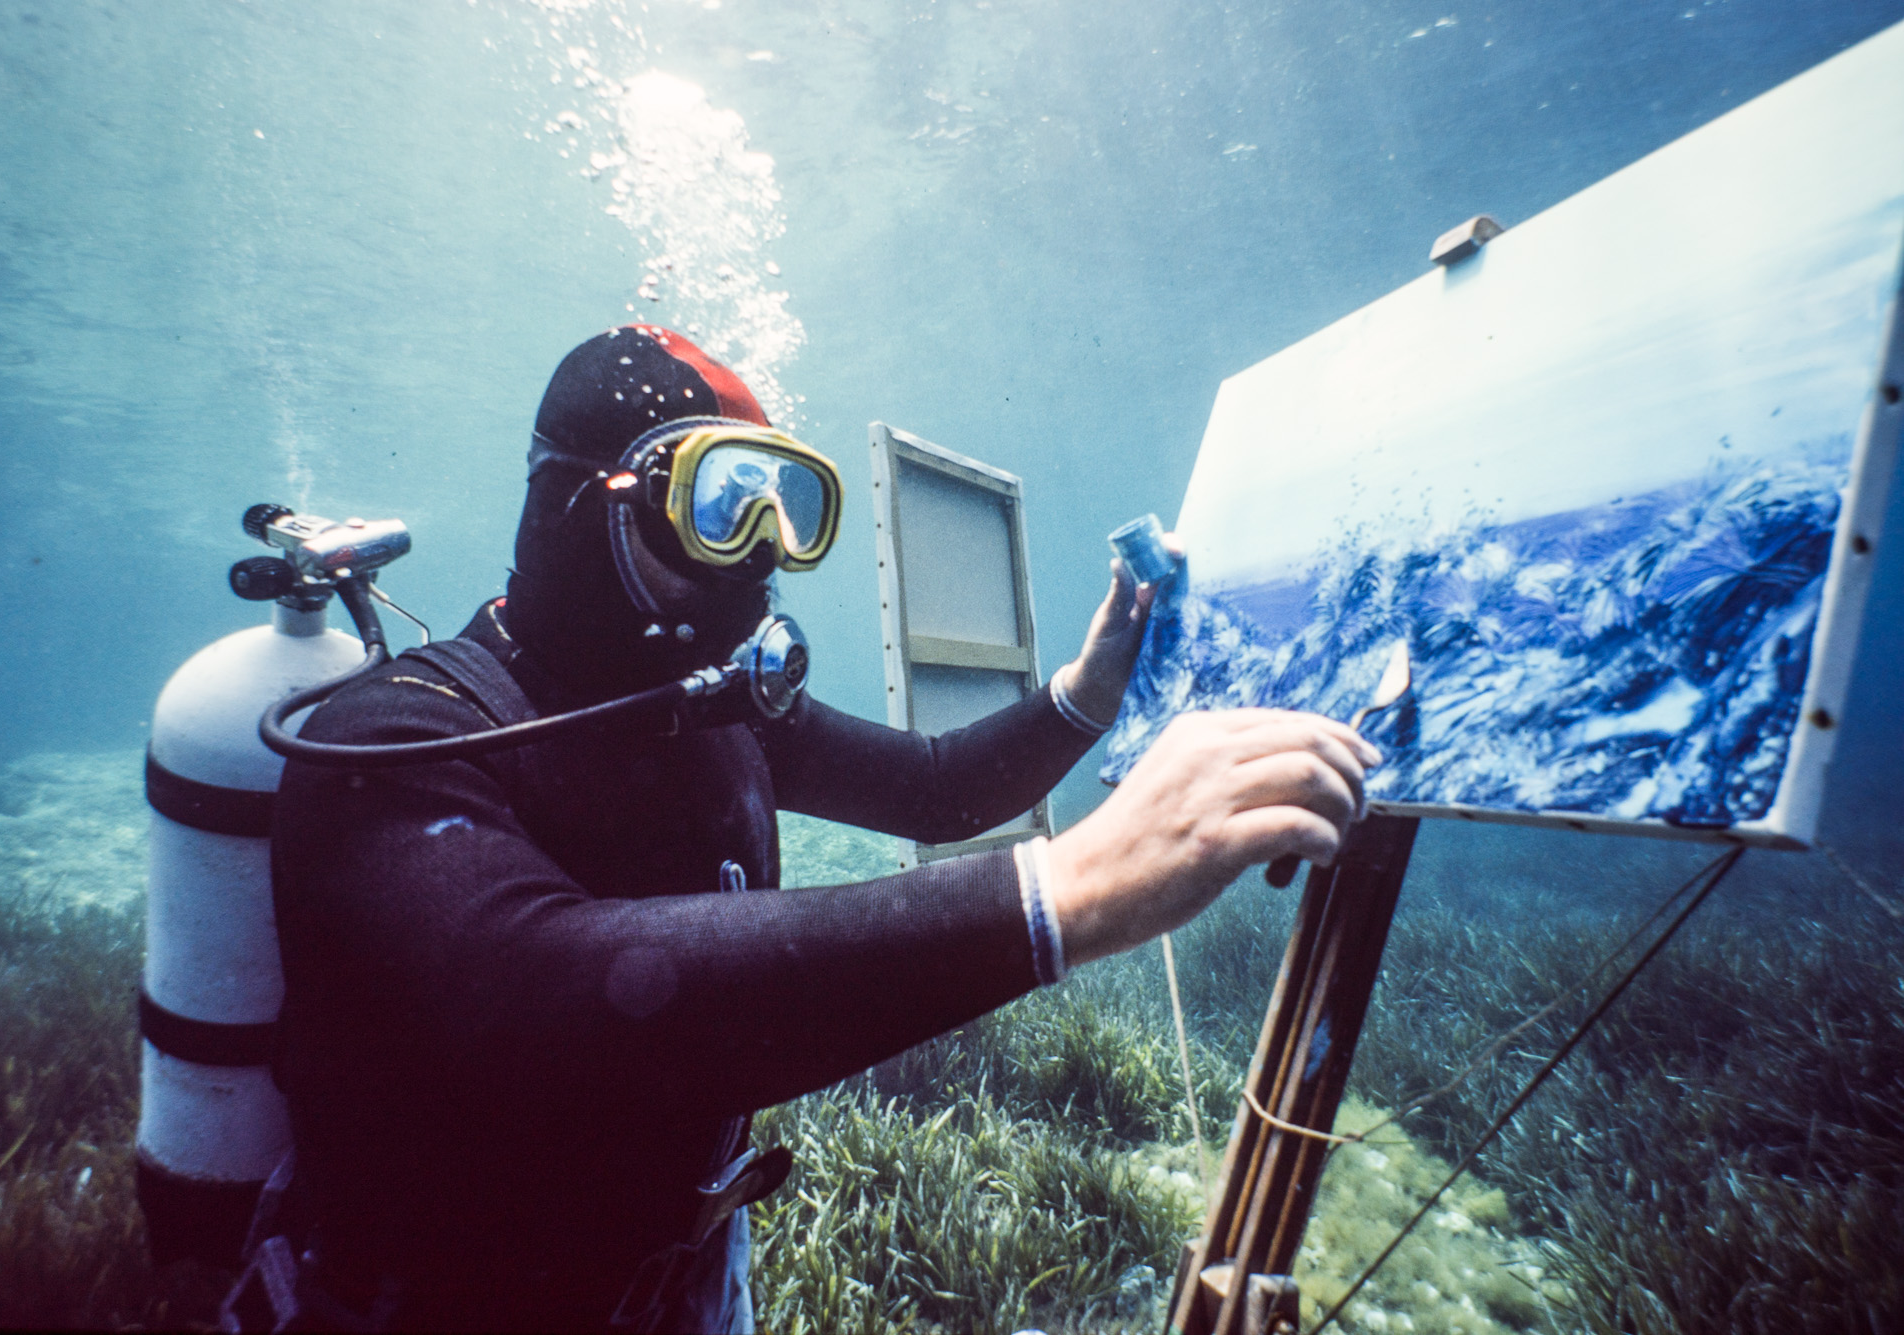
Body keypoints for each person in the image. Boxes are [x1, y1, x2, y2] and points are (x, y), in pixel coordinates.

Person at [258, 325, 1380, 1333]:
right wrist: (1067, 888)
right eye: (714, 501)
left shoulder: (703, 711)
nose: (756, 548)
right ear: (580, 504)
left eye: (789, 506)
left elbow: (936, 789)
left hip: (679, 1277)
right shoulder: (393, 741)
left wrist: (1087, 687)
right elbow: (539, 991)